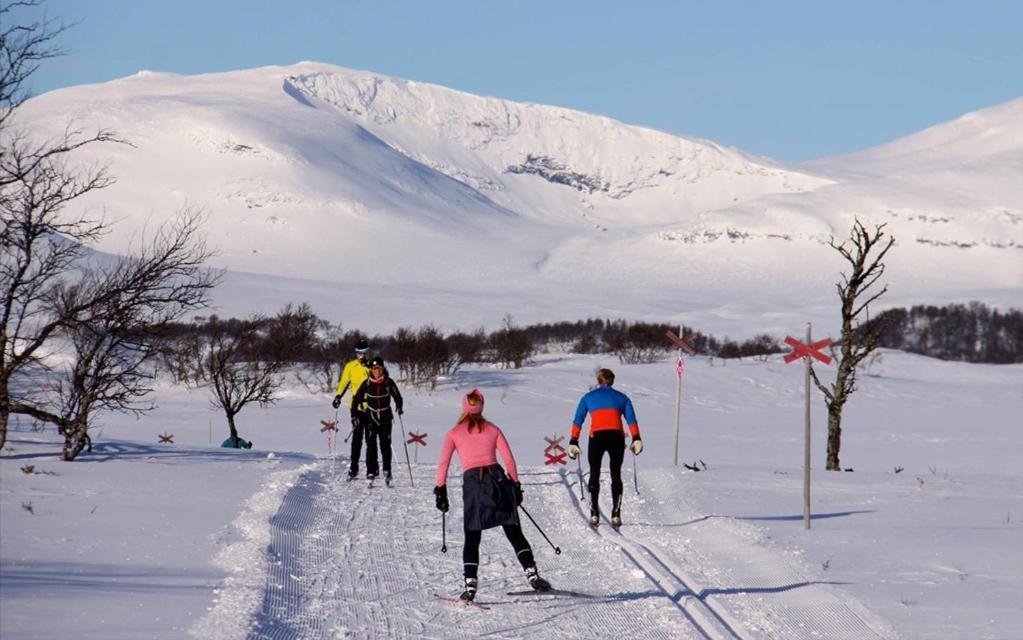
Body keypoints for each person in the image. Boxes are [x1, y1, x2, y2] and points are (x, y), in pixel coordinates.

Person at [434, 389, 551, 602]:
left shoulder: (454, 433)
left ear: (464, 406)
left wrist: (441, 490)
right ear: (482, 406)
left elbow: (444, 464)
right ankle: (532, 574)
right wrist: (515, 485)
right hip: (498, 482)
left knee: (472, 537)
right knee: (514, 532)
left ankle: (470, 587)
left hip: (474, 486)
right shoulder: (493, 429)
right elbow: (509, 460)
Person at [568, 368, 642, 528]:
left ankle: (594, 512)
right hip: (616, 437)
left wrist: (573, 440)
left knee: (594, 473)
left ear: (599, 380)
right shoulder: (622, 398)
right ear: (612, 381)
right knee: (616, 473)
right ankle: (616, 513)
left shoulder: (588, 397)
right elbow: (631, 420)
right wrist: (636, 438)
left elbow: (578, 419)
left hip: (597, 438)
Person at [352, 357, 404, 486]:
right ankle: (370, 472)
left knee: (385, 444)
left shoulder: (388, 382)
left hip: (385, 417)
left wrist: (399, 406)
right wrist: (355, 416)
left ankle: (387, 470)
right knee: (371, 445)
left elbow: (397, 396)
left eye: (379, 368)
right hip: (371, 417)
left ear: (383, 369)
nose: (376, 371)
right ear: (371, 370)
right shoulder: (367, 383)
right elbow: (356, 400)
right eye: (374, 369)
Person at [333, 338, 372, 481]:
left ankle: (371, 469)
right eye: (360, 353)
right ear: (356, 354)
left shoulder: (373, 366)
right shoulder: (350, 367)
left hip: (372, 407)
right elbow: (344, 383)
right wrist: (338, 396)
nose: (362, 356)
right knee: (357, 438)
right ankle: (353, 468)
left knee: (370, 439)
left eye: (365, 353)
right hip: (355, 408)